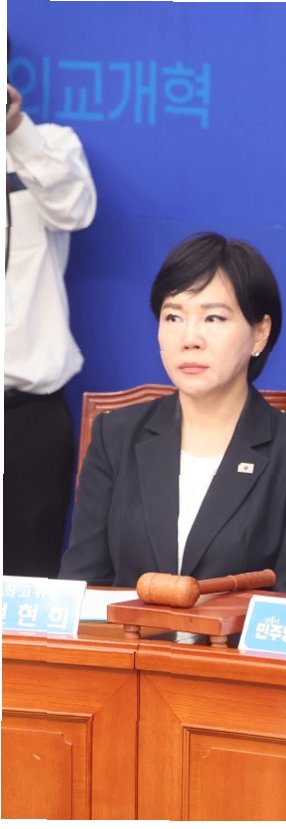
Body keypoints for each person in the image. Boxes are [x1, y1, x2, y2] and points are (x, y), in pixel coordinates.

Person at [58, 233, 286, 597]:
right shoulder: (116, 436)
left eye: (213, 318)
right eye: (173, 316)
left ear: (259, 333)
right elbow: (80, 586)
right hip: (124, 635)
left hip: (236, 638)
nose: (189, 338)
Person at [4, 81, 97, 578]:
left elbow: (74, 210)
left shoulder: (51, 144)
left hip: (26, 415)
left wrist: (15, 129)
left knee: (25, 582)